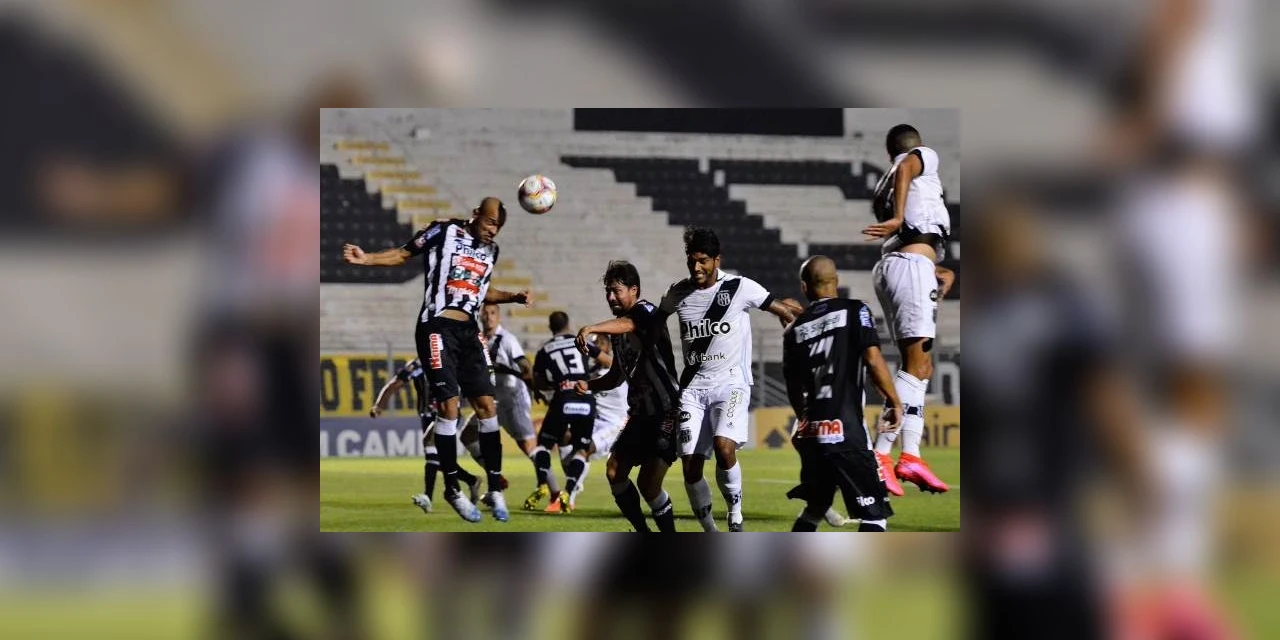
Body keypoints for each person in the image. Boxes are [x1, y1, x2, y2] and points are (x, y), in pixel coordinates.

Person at [343, 197, 530, 523]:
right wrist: (367, 258)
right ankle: (452, 490)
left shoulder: (491, 251)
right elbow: (403, 253)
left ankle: (495, 488)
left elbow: (481, 291)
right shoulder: (443, 231)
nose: (493, 230)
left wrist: (512, 296)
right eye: (489, 222)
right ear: (476, 214)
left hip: (469, 333)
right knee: (449, 407)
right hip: (437, 327)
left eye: (498, 226)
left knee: (487, 407)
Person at [660, 226, 803, 531]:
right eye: (691, 260)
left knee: (724, 447)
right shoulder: (678, 293)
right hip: (692, 389)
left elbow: (782, 310)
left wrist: (800, 323)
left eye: (702, 261)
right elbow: (655, 323)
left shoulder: (740, 287)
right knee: (690, 467)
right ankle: (710, 530)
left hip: (731, 384)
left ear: (717, 259)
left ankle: (735, 514)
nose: (696, 267)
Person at [862, 123, 954, 495]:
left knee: (921, 366)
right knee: (916, 366)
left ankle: (912, 454)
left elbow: (911, 234)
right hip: (910, 267)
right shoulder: (920, 158)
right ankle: (881, 453)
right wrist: (899, 217)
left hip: (902, 265)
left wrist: (937, 269)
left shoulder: (883, 185)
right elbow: (906, 169)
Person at [782, 256, 901, 531]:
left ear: (804, 287)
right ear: (836, 281)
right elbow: (873, 359)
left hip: (812, 435)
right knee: (874, 515)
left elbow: (792, 385)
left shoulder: (793, 330)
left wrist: (804, 421)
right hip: (845, 431)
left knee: (816, 507)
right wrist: (894, 400)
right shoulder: (855, 310)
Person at [574, 261, 681, 532]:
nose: (611, 297)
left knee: (648, 484)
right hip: (640, 415)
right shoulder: (618, 334)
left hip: (666, 410)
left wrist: (591, 328)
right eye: (608, 292)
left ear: (634, 290)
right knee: (614, 471)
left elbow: (630, 324)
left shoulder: (645, 312)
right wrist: (589, 385)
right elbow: (616, 376)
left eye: (617, 291)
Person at [369, 358, 486, 512]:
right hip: (427, 416)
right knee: (438, 460)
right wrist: (378, 405)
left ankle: (428, 497)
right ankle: (471, 480)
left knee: (430, 446)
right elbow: (395, 384)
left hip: (449, 414)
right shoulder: (418, 365)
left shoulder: (451, 360)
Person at [529, 312, 612, 513]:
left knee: (543, 446)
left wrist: (542, 389)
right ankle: (568, 490)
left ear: (551, 327)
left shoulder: (544, 349)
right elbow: (608, 362)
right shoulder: (581, 341)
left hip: (563, 397)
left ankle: (542, 483)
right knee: (582, 450)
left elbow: (538, 381)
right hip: (585, 398)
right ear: (569, 324)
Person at [460, 302, 539, 505]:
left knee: (528, 447)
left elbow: (524, 363)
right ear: (480, 316)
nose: (488, 316)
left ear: (499, 316)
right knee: (467, 435)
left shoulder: (507, 339)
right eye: (485, 313)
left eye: (493, 313)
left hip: (512, 399)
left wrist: (531, 380)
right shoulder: (478, 339)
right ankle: (496, 478)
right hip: (492, 400)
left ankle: (554, 490)